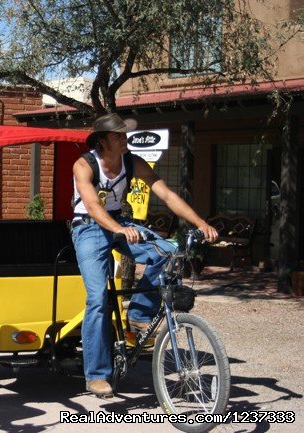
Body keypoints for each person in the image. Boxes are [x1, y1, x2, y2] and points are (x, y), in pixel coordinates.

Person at [71, 113, 218, 398]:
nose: (125, 139)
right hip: (87, 227)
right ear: (102, 140)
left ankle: (138, 315)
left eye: (125, 134)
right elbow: (91, 206)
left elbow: (167, 195)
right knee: (98, 298)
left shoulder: (132, 162)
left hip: (118, 223)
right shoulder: (84, 164)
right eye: (118, 135)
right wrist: (118, 229)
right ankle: (97, 375)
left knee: (168, 252)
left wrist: (200, 223)